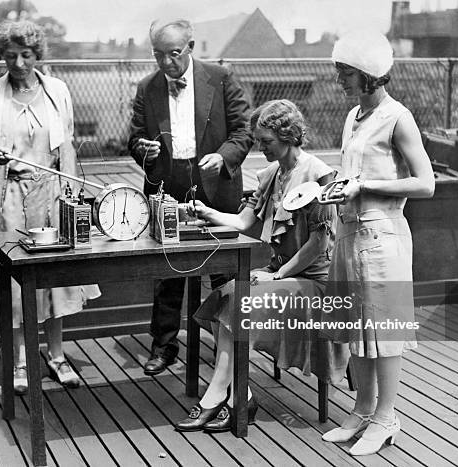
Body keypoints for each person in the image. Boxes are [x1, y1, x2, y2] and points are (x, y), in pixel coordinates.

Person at [174, 99, 349, 432]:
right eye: (258, 141)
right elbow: (243, 221)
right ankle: (243, 394)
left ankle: (217, 397)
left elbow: (319, 244)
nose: (261, 148)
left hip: (316, 283)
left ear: (289, 135)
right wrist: (207, 213)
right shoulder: (272, 174)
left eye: (266, 142)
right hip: (280, 275)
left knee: (241, 301)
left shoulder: (318, 175)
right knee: (226, 295)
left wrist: (277, 274)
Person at [0, 20, 100, 395]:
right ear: (2, 57)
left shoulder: (57, 90)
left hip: (53, 194)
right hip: (9, 196)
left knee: (56, 279)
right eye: (11, 56)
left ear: (37, 55)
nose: (20, 63)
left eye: (26, 55)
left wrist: (73, 192)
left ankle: (56, 356)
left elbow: (68, 145)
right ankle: (23, 360)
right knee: (14, 279)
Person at [320, 31, 434, 455]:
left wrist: (365, 184)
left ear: (369, 75)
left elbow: (426, 183)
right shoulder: (354, 117)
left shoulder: (398, 117)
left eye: (345, 73)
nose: (339, 80)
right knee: (356, 329)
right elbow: (352, 173)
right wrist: (334, 185)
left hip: (382, 238)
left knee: (384, 332)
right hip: (350, 235)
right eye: (338, 71)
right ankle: (362, 410)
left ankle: (387, 418)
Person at [128, 18, 253, 375]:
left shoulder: (221, 77)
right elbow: (134, 139)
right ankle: (164, 346)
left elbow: (244, 131)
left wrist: (224, 156)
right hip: (167, 187)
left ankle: (226, 350)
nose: (167, 63)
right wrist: (144, 151)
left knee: (223, 274)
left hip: (216, 186)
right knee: (167, 272)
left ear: (192, 47)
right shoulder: (147, 88)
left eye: (174, 54)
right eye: (159, 56)